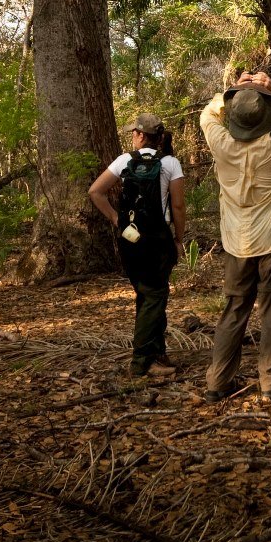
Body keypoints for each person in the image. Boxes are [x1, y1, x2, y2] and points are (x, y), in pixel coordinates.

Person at [199, 71, 271, 403]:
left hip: (235, 239)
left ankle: (217, 381)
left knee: (235, 306)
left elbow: (208, 113)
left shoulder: (220, 142)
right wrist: (270, 87)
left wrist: (235, 89)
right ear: (266, 114)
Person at [89, 113, 186, 377]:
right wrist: (179, 238)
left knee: (149, 295)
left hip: (130, 239)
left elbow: (95, 191)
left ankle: (156, 353)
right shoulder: (171, 163)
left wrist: (116, 220)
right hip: (158, 239)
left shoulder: (124, 161)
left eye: (133, 132)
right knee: (154, 295)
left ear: (141, 135)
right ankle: (141, 361)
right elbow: (177, 205)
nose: (132, 136)